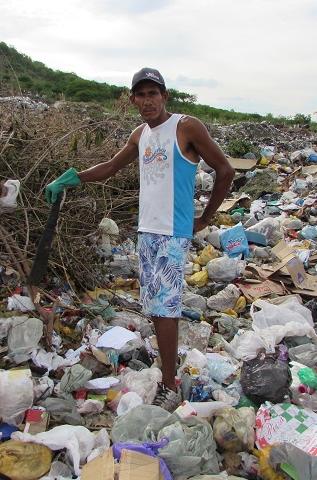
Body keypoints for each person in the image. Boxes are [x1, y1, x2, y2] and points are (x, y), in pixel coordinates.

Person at [45, 67, 235, 411]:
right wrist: (71, 178)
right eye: (141, 95)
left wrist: (205, 218)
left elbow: (225, 169)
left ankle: (169, 386)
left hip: (171, 232)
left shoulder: (185, 127)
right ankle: (168, 372)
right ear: (132, 99)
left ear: (164, 96)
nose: (148, 101)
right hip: (147, 230)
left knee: (163, 310)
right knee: (159, 308)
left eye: (153, 94)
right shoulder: (140, 134)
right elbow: (110, 167)